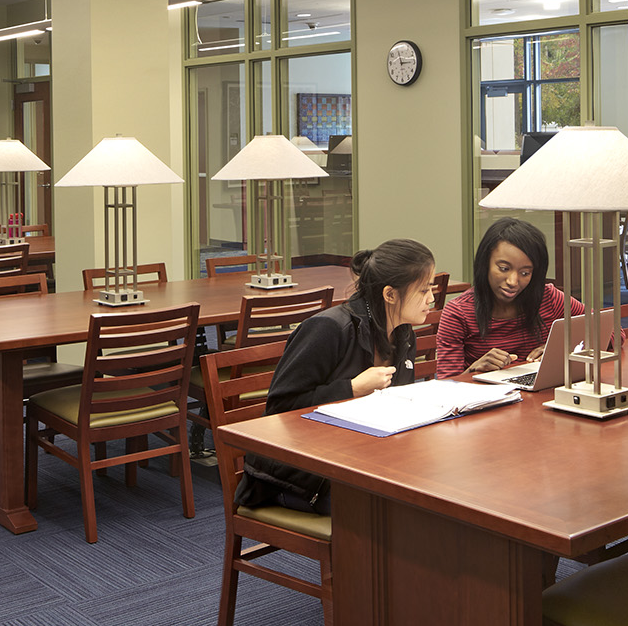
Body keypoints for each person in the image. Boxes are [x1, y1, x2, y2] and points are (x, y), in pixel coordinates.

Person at [234, 239, 436, 516]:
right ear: (390, 294)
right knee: (396, 513)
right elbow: (279, 409)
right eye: (424, 290)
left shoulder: (403, 333)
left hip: (357, 461)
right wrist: (351, 389)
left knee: (432, 491)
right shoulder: (329, 329)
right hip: (298, 476)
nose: (432, 298)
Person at [435, 217, 584, 378]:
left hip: (543, 398)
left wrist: (561, 349)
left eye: (525, 273)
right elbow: (447, 387)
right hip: (488, 400)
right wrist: (473, 370)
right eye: (504, 268)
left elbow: (611, 334)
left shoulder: (549, 299)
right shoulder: (458, 313)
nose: (513, 281)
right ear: (485, 263)